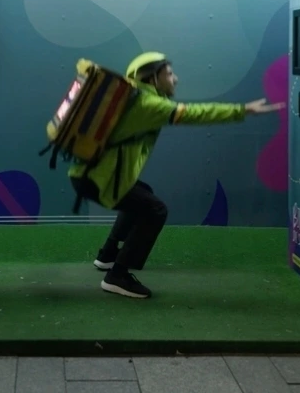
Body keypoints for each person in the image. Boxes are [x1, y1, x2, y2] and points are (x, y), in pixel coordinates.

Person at [69, 52, 286, 299]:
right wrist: (243, 110)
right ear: (152, 78)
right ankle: (117, 276)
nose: (176, 79)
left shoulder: (135, 96)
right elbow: (195, 113)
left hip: (91, 175)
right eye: (170, 74)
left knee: (142, 196)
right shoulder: (148, 104)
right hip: (99, 179)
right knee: (155, 210)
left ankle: (108, 255)